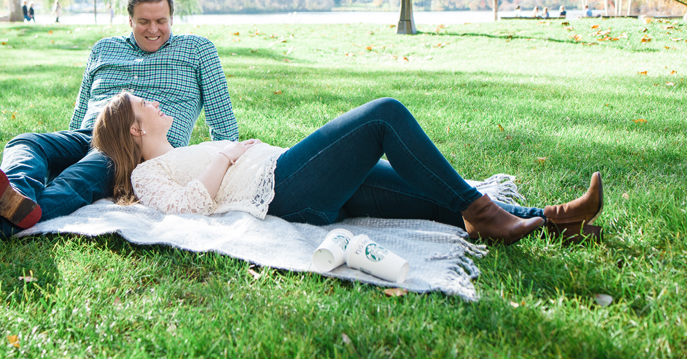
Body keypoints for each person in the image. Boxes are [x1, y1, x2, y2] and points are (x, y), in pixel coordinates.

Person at [90, 93, 604, 246]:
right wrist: (226, 156)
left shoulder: (180, 148)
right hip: (284, 191)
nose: (156, 104)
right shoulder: (146, 176)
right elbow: (189, 208)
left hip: (292, 179)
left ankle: (553, 220)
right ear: (135, 130)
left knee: (432, 195)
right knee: (383, 115)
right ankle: (484, 212)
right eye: (145, 105)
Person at [0, 0, 239, 240]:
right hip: (88, 133)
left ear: (172, 17)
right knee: (25, 142)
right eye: (143, 21)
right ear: (130, 20)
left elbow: (222, 119)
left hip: (139, 144)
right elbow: (82, 107)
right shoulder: (103, 49)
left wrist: (225, 162)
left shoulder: (198, 50)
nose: (153, 29)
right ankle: (15, 198)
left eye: (161, 21)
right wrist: (62, 152)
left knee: (82, 174)